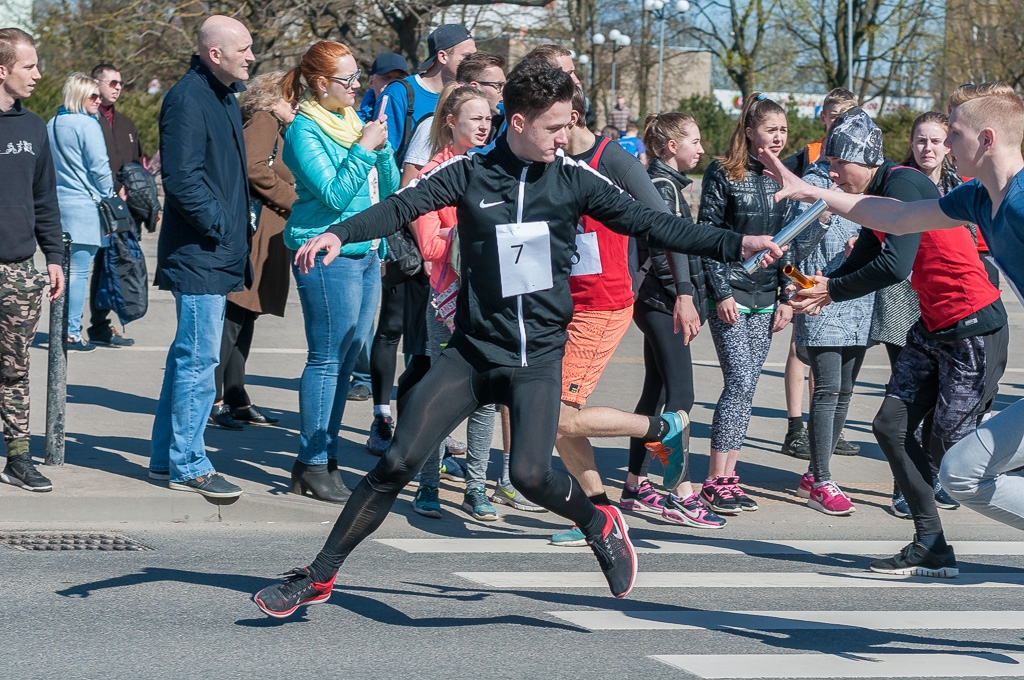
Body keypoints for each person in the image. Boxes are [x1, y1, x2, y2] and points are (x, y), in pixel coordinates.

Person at [252, 60, 784, 618]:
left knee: (530, 475)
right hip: (474, 352)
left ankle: (597, 521)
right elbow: (400, 206)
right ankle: (317, 576)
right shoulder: (469, 171)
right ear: (520, 122)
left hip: (537, 358)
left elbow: (652, 222)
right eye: (555, 127)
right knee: (395, 463)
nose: (565, 137)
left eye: (569, 124)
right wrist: (340, 232)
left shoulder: (575, 177)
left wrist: (736, 242)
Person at [761, 99, 1010, 578]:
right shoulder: (878, 197)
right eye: (828, 164)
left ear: (865, 159)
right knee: (891, 427)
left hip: (974, 325)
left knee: (952, 454)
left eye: (838, 164)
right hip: (934, 326)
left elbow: (894, 265)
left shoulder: (904, 183)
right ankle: (930, 543)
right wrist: (821, 286)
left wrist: (831, 290)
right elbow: (866, 258)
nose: (832, 174)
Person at [522, 47, 691, 547]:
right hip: (562, 304)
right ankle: (599, 512)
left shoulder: (610, 158)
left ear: (570, 116)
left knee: (557, 415)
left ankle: (659, 428)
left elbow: (666, 224)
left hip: (604, 303)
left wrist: (684, 291)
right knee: (557, 419)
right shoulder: (548, 159)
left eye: (550, 124)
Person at [281, 40, 398, 503]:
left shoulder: (350, 122)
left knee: (349, 360)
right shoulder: (305, 130)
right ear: (320, 84)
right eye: (347, 79)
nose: (356, 86)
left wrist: (382, 148)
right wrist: (366, 148)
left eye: (357, 76)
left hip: (366, 251)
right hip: (325, 255)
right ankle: (312, 461)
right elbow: (332, 194)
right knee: (327, 360)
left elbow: (386, 191)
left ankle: (325, 457)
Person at [147, 15, 254, 499]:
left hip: (214, 249)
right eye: (245, 49)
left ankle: (164, 457)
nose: (252, 56)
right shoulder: (188, 98)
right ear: (216, 54)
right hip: (200, 253)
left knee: (187, 357)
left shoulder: (223, 95)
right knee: (198, 358)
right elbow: (182, 178)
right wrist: (222, 224)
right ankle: (189, 463)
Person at [365, 24, 475, 457]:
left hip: (445, 241)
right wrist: (421, 237)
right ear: (444, 55)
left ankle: (423, 427)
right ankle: (381, 416)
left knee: (427, 341)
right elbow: (393, 169)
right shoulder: (404, 95)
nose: (472, 59)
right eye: (467, 53)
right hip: (407, 232)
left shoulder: (470, 103)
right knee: (392, 328)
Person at [629, 111, 727, 529]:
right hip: (661, 301)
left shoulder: (667, 184)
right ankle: (680, 490)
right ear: (672, 147)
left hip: (659, 300)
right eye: (695, 141)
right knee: (681, 400)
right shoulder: (662, 186)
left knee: (656, 394)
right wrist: (683, 297)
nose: (701, 149)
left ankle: (635, 484)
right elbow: (666, 252)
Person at [698, 93, 794, 515]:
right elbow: (707, 236)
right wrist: (719, 292)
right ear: (750, 131)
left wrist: (787, 297)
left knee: (748, 388)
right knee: (738, 383)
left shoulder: (786, 178)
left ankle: (729, 477)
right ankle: (713, 481)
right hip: (732, 295)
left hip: (766, 298)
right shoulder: (722, 172)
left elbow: (790, 245)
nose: (778, 138)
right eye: (771, 129)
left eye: (784, 130)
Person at [408, 83, 499, 520]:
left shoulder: (493, 170)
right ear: (451, 123)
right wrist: (475, 234)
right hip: (447, 301)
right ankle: (427, 484)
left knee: (487, 397)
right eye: (475, 119)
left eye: (488, 118)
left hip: (490, 301)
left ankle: (475, 486)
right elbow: (429, 245)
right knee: (440, 395)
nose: (484, 126)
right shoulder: (434, 173)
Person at [789, 114, 874, 516]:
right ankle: (821, 479)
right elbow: (792, 245)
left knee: (844, 392)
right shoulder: (816, 182)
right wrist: (822, 216)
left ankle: (814, 470)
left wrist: (866, 240)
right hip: (818, 295)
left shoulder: (867, 184)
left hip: (857, 299)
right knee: (826, 391)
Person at [209, 71, 298, 430]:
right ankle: (214, 399)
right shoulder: (264, 119)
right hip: (256, 233)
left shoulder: (276, 125)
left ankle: (236, 395)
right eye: (289, 96)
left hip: (267, 233)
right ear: (269, 98)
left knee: (245, 317)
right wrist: (294, 200)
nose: (296, 103)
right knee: (234, 317)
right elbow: (252, 168)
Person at [0, 27, 64, 492]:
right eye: (29, 66)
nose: (38, 75)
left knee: (15, 368)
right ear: (2, 70)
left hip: (19, 270)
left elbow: (45, 199)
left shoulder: (33, 126)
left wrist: (55, 257)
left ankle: (17, 457)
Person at [780, 88, 860, 459]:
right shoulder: (812, 165)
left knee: (838, 379)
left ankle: (825, 434)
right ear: (824, 118)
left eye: (849, 116)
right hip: (810, 275)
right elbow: (796, 241)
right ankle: (798, 426)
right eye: (835, 116)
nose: (841, 122)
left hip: (849, 284)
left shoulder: (864, 171)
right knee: (803, 350)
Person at [46, 73, 115, 353]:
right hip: (85, 206)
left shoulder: (51, 123)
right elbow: (100, 168)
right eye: (93, 96)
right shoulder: (88, 125)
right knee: (77, 274)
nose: (98, 101)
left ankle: (58, 328)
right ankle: (71, 332)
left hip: (56, 205)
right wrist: (110, 194)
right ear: (79, 96)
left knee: (60, 272)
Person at [86, 62, 144, 348]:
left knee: (116, 265)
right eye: (112, 83)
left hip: (123, 211)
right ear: (95, 84)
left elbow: (138, 167)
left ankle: (101, 325)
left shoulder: (126, 125)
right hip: (94, 207)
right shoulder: (86, 121)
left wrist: (147, 207)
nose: (118, 87)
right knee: (95, 266)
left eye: (120, 83)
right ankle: (86, 325)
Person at [454, 52, 506, 143]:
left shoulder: (504, 126)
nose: (504, 91)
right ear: (474, 87)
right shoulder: (445, 130)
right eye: (498, 85)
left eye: (505, 85)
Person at [357, 52, 408, 123]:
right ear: (371, 81)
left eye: (399, 78)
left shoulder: (413, 116)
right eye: (386, 77)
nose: (392, 83)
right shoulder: (356, 123)